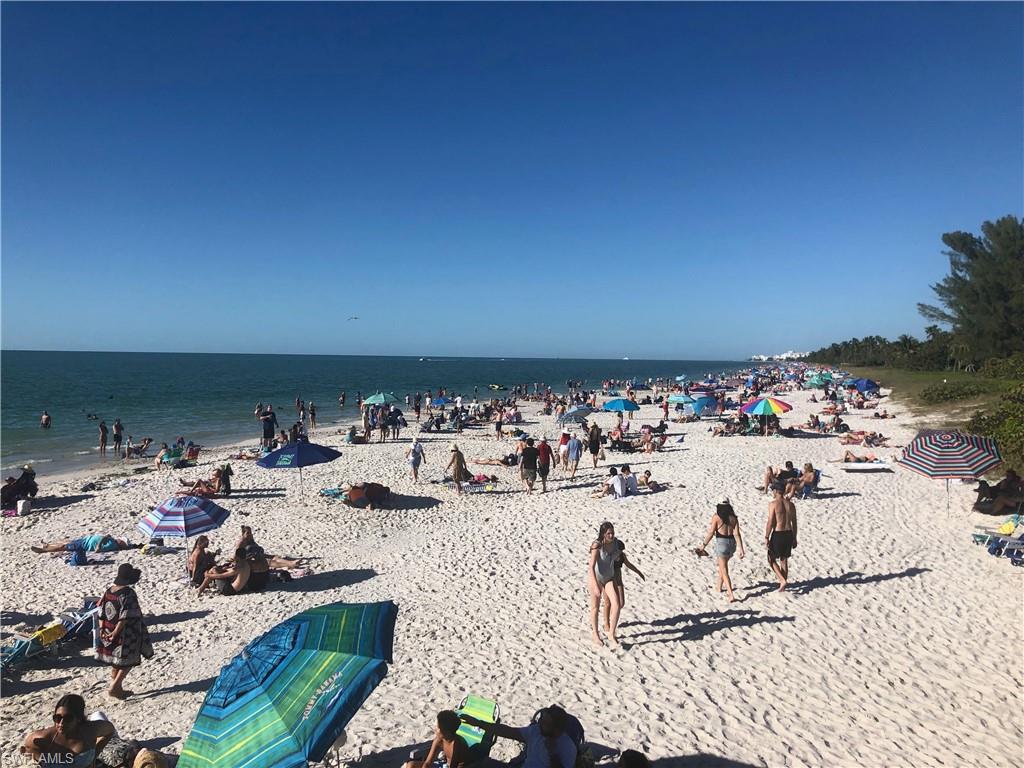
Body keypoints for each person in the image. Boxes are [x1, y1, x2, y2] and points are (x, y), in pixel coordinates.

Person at [96, 564, 153, 698]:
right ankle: (115, 687)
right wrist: (116, 632)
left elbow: (100, 612)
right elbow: (125, 615)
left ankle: (117, 686)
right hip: (126, 632)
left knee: (116, 660)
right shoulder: (128, 593)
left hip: (107, 628)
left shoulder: (109, 591)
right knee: (128, 660)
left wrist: (102, 629)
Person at [459, 705, 577, 768]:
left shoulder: (567, 747)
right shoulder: (536, 731)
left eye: (545, 723)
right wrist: (478, 723)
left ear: (556, 730)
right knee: (485, 763)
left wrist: (552, 754)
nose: (539, 724)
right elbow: (508, 732)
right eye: (541, 720)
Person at [21, 694, 115, 766]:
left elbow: (110, 731)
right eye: (57, 718)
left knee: (99, 714)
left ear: (78, 718)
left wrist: (96, 752)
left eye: (68, 718)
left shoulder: (91, 730)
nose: (61, 723)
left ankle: (96, 714)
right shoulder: (43, 737)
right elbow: (26, 750)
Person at [696, 499, 745, 602]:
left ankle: (730, 594)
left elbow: (711, 533)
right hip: (732, 544)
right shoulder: (734, 518)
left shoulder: (716, 517)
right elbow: (737, 534)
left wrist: (703, 546)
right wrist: (741, 548)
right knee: (723, 567)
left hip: (722, 544)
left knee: (724, 570)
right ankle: (718, 587)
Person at [588, 521, 627, 648]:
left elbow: (622, 557)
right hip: (597, 579)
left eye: (613, 533)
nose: (611, 535)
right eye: (609, 533)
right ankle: (595, 634)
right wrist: (594, 585)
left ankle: (611, 633)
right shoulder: (597, 545)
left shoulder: (616, 543)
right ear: (603, 534)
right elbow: (591, 567)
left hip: (609, 578)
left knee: (616, 604)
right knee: (595, 607)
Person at [403, 710, 469, 768]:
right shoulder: (439, 740)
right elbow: (428, 763)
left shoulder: (457, 746)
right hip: (445, 765)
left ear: (446, 732)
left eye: (437, 728)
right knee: (411, 765)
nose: (435, 730)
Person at [766, 483, 798, 591]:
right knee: (784, 560)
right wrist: (794, 537)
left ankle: (782, 580)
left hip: (778, 533)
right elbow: (794, 523)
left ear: (776, 491)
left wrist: (766, 536)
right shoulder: (791, 505)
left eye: (773, 490)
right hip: (788, 533)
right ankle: (783, 585)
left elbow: (770, 521)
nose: (772, 492)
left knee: (771, 559)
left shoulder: (773, 504)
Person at [32, 535, 135, 555]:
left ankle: (44, 550)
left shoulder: (113, 545)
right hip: (86, 540)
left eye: (122, 540)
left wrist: (99, 545)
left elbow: (98, 549)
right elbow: (105, 536)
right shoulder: (112, 540)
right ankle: (48, 545)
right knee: (66, 542)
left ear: (122, 543)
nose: (119, 538)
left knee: (64, 547)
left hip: (85, 545)